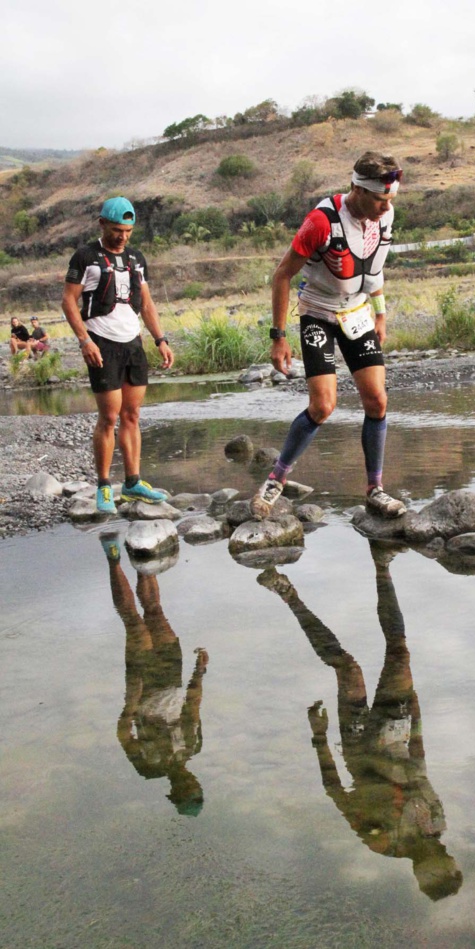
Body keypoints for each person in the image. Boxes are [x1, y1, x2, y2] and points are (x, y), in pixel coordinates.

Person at [257, 542, 463, 901]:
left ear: (421, 876)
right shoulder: (437, 822)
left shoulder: (383, 842)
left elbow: (336, 792)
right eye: (450, 862)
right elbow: (420, 764)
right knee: (398, 648)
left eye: (439, 869)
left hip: (358, 745)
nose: (445, 856)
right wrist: (416, 714)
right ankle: (382, 565)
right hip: (395, 730)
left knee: (346, 667)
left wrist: (319, 738)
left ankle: (286, 593)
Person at [251, 151, 406, 521]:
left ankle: (375, 489)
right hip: (319, 313)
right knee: (323, 406)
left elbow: (375, 267)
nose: (386, 207)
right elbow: (281, 276)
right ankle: (276, 479)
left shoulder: (384, 217)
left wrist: (380, 313)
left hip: (358, 313)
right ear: (357, 188)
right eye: (380, 199)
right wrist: (278, 336)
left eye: (391, 200)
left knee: (377, 402)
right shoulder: (321, 222)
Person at [61, 196, 174, 514]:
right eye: (116, 230)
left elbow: (148, 304)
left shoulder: (137, 258)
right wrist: (84, 340)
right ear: (102, 224)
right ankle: (103, 487)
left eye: (127, 231)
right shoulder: (85, 257)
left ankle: (133, 482)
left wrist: (160, 340)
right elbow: (69, 302)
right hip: (102, 343)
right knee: (109, 416)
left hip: (133, 345)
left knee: (132, 416)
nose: (122, 236)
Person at [101, 531, 208, 816]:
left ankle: (113, 557)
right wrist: (199, 674)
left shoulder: (148, 767)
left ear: (174, 792)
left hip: (143, 686)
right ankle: (141, 553)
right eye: (194, 788)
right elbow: (192, 708)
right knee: (155, 611)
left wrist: (130, 705)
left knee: (134, 623)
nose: (189, 784)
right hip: (172, 675)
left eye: (186, 791)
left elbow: (124, 737)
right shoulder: (193, 747)